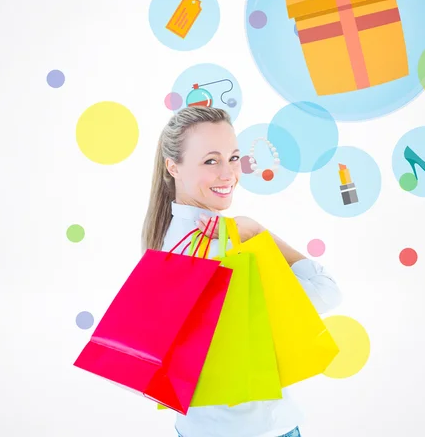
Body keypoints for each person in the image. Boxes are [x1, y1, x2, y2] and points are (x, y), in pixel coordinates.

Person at [141, 106, 343, 437]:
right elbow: (326, 290)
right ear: (173, 166)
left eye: (233, 157)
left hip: (195, 427)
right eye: (210, 161)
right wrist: (257, 231)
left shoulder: (165, 239)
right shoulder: (222, 242)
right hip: (259, 429)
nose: (229, 173)